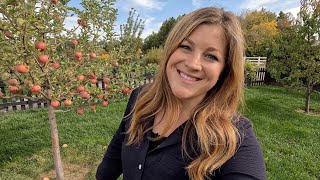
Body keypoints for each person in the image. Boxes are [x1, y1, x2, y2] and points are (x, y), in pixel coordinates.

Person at [96, 7, 266, 180]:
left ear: (225, 70)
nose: (193, 64)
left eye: (211, 56)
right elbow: (116, 152)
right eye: (185, 46)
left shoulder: (233, 139)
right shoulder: (141, 98)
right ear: (171, 49)